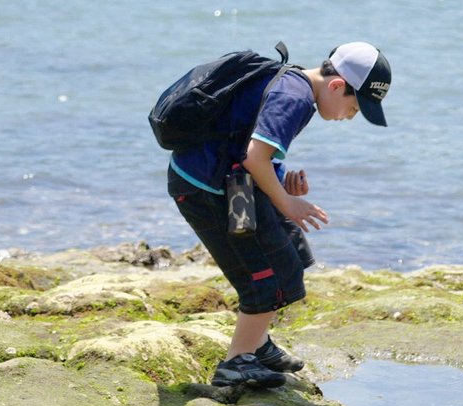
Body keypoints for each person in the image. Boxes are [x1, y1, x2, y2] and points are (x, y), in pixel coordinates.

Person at [167, 41, 391, 388]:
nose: (351, 116)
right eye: (355, 107)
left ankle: (257, 344)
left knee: (292, 253)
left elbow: (255, 153)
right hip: (206, 189)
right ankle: (235, 364)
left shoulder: (296, 85)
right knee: (265, 272)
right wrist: (287, 203)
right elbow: (254, 158)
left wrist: (283, 185)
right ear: (336, 86)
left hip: (232, 185)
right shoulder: (295, 98)